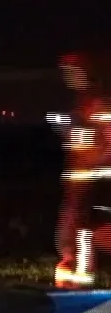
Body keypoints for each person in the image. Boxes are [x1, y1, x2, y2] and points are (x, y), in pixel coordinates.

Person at [55, 53, 111, 288]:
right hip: (80, 185)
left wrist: (95, 169)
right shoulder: (82, 103)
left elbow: (106, 142)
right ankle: (75, 283)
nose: (68, 76)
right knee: (72, 236)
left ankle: (81, 284)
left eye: (73, 70)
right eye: (65, 71)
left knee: (85, 233)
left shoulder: (99, 103)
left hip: (94, 183)